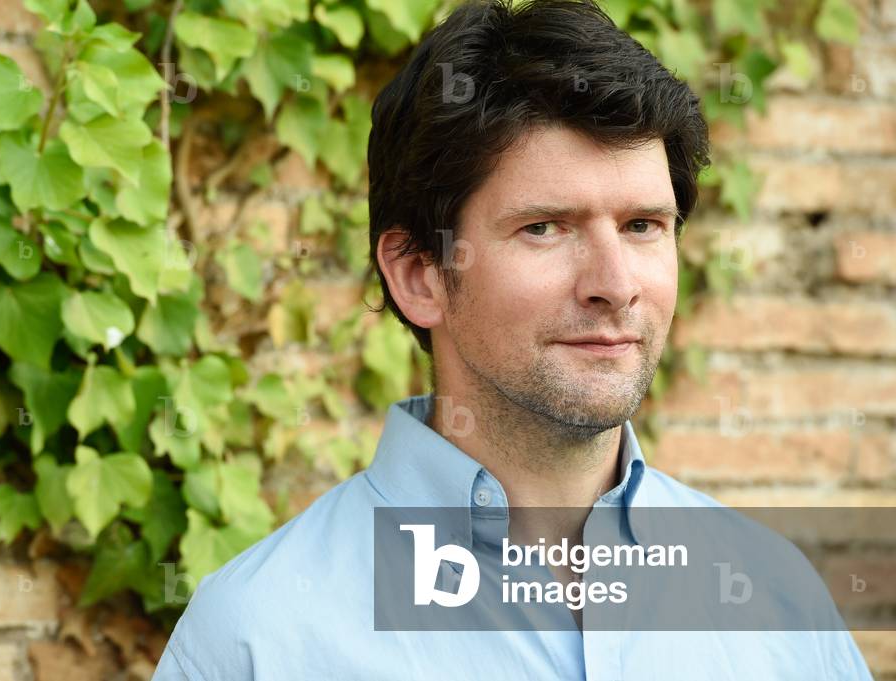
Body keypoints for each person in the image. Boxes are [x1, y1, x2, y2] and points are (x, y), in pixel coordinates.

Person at [152, 1, 874, 678]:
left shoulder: (779, 611)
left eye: (641, 226)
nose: (614, 284)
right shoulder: (262, 637)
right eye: (545, 227)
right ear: (418, 274)